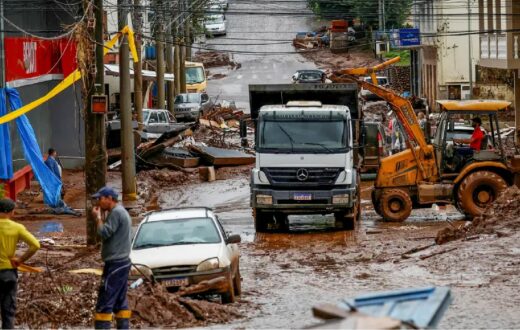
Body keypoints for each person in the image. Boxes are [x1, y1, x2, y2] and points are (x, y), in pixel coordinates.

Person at [91, 187, 133, 329]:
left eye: (100, 198)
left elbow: (104, 232)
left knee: (105, 300)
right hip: (122, 262)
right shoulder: (120, 212)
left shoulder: (116, 213)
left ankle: (103, 326)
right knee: (120, 301)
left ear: (109, 198)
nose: (98, 202)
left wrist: (97, 218)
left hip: (116, 263)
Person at [0, 198, 40, 329]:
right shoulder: (17, 228)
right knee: (8, 310)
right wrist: (20, 260)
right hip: (8, 273)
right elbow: (35, 245)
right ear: (11, 212)